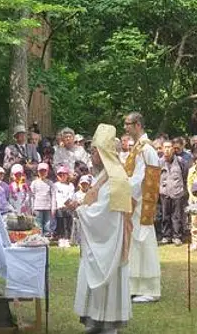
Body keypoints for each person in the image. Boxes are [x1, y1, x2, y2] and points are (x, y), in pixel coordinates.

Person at [69, 123, 133, 334]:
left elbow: (105, 215)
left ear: (103, 152)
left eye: (94, 150)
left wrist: (80, 210)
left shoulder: (115, 179)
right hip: (103, 238)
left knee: (108, 279)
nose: (91, 154)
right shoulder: (104, 174)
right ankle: (96, 320)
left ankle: (108, 324)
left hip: (110, 240)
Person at [123, 112, 161, 303]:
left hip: (141, 202)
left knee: (144, 242)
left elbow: (143, 178)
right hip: (135, 201)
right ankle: (135, 285)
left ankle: (151, 289)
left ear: (138, 124)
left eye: (127, 124)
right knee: (134, 244)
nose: (125, 127)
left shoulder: (147, 149)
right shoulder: (137, 148)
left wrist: (129, 194)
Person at [159, 140, 187, 245]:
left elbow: (185, 175)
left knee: (177, 216)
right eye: (165, 147)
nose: (167, 149)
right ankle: (166, 236)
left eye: (169, 147)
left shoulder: (180, 161)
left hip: (177, 192)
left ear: (173, 149)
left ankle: (177, 236)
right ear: (162, 149)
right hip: (164, 192)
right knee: (165, 215)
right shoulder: (159, 162)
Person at [30, 163, 56, 237]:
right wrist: (32, 207)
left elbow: (53, 196)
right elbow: (32, 196)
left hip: (47, 207)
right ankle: (39, 237)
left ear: (47, 172)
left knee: (47, 224)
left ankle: (46, 238)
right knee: (38, 224)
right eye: (41, 171)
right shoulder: (34, 183)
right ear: (38, 172)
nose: (42, 173)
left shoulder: (50, 183)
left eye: (44, 171)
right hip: (37, 207)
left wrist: (53, 208)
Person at [54, 165, 75, 247]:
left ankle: (67, 239)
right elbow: (55, 196)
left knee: (68, 223)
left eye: (64, 174)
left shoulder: (70, 185)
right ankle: (61, 238)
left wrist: (66, 205)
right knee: (60, 223)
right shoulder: (55, 185)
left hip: (67, 207)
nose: (62, 176)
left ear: (67, 175)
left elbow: (71, 196)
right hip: (59, 207)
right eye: (60, 175)